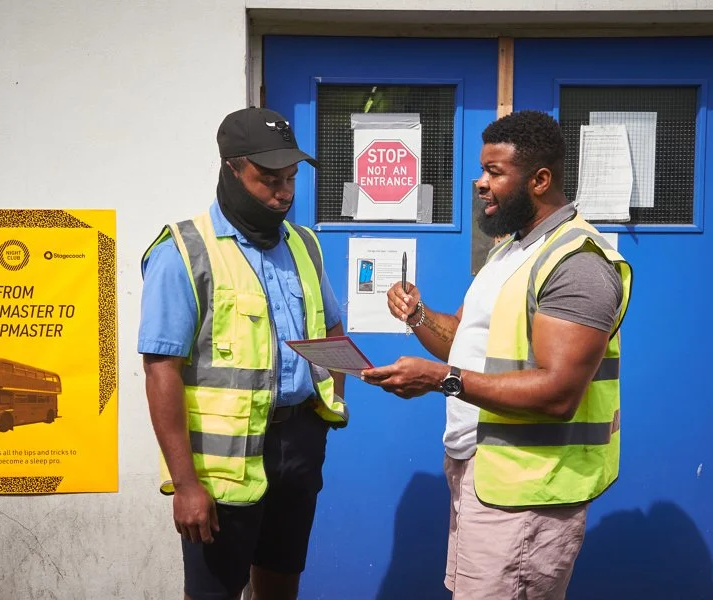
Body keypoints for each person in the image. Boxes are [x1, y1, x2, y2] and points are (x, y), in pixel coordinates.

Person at [361, 110, 632, 600]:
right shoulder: (507, 251)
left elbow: (558, 393)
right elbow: (464, 342)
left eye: (495, 172)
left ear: (540, 179)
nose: (481, 184)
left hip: (528, 490)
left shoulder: (578, 264)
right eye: (483, 171)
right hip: (479, 472)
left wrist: (441, 380)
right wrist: (419, 315)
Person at [138, 107, 348, 600]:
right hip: (220, 464)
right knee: (215, 592)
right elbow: (160, 369)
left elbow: (329, 325)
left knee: (281, 581)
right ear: (230, 168)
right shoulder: (184, 251)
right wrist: (186, 485)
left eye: (292, 178)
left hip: (298, 444)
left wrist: (337, 396)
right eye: (268, 179)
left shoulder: (305, 245)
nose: (285, 193)